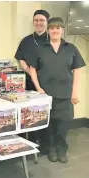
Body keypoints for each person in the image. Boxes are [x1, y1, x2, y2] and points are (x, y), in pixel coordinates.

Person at [27, 17, 86, 163]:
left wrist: (74, 92)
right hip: (45, 95)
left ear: (62, 30)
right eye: (52, 28)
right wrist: (38, 88)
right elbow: (32, 69)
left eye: (57, 28)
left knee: (63, 125)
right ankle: (51, 149)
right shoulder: (40, 49)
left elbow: (78, 71)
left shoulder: (71, 48)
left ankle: (61, 150)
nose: (54, 30)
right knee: (49, 125)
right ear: (48, 30)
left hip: (65, 94)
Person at [14, 9, 50, 152]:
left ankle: (45, 142)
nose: (38, 23)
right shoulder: (27, 40)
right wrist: (31, 73)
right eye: (36, 20)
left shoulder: (52, 39)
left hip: (47, 82)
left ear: (47, 22)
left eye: (42, 20)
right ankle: (29, 141)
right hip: (29, 82)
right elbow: (21, 59)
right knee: (29, 112)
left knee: (44, 112)